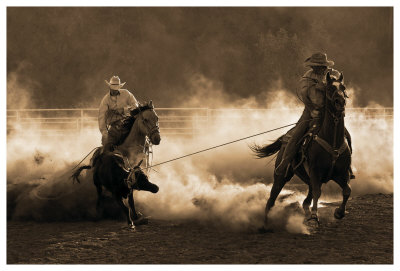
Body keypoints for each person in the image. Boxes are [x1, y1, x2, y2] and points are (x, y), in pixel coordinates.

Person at [275, 52, 355, 178]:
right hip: (311, 111)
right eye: (315, 66)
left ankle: (347, 166)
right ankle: (284, 164)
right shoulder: (307, 78)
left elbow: (339, 92)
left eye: (319, 66)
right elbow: (306, 96)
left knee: (346, 136)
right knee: (296, 135)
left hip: (331, 113)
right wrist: (314, 107)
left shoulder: (335, 74)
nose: (316, 68)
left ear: (324, 65)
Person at [98, 76, 139, 151]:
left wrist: (124, 110)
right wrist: (104, 132)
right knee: (106, 144)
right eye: (113, 89)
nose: (115, 91)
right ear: (110, 88)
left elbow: (136, 105)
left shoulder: (126, 94)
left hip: (129, 122)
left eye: (116, 89)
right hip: (114, 126)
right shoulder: (105, 100)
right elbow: (101, 117)